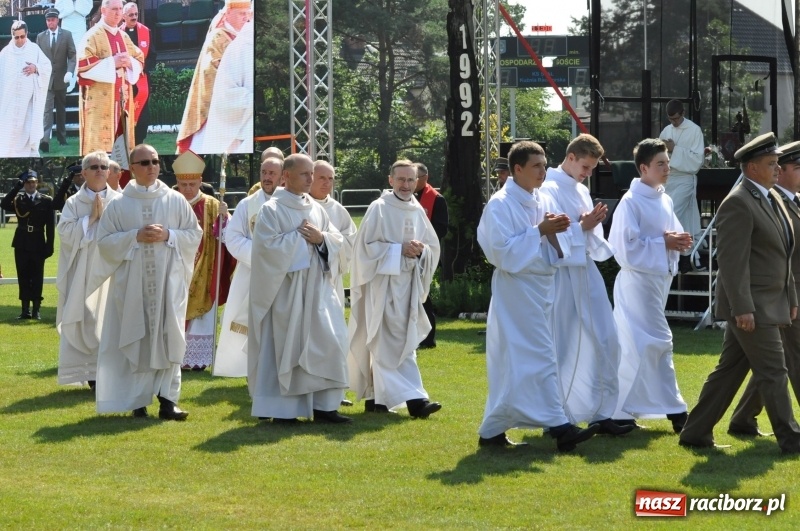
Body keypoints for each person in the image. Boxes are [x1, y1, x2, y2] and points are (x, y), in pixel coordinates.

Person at [679, 132, 800, 454]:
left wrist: (791, 299)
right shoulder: (739, 202)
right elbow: (732, 264)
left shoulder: (771, 198)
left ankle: (695, 432)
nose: (778, 169)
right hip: (751, 305)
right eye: (771, 164)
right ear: (751, 168)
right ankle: (791, 437)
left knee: (728, 372)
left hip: (771, 301)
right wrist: (742, 308)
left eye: (778, 164)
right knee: (774, 370)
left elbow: (784, 256)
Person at [476, 140, 599, 449]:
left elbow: (558, 241)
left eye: (545, 165)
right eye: (536, 166)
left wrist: (564, 230)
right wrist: (540, 231)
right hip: (516, 290)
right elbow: (500, 253)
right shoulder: (500, 204)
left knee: (519, 362)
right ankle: (560, 428)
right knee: (541, 357)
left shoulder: (541, 198)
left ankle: (492, 431)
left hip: (542, 288)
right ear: (516, 169)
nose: (544, 172)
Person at [87, 143, 202, 419]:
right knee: (136, 338)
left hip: (167, 283)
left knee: (167, 336)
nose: (152, 167)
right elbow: (103, 243)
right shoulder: (119, 205)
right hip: (133, 286)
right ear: (133, 168)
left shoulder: (174, 200)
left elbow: (193, 235)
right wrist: (134, 236)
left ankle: (168, 400)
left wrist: (169, 236)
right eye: (145, 163)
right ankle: (137, 401)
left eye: (155, 161)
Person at [248, 153, 351, 423]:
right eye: (305, 174)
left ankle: (325, 406)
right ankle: (284, 411)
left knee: (330, 341)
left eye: (312, 174)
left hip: (317, 289)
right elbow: (266, 251)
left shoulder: (316, 209)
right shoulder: (271, 209)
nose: (311, 179)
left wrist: (321, 239)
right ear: (287, 177)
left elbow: (335, 239)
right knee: (288, 349)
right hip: (286, 292)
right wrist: (300, 238)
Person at [540, 133, 631, 436]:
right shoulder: (548, 188)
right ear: (571, 158)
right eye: (586, 167)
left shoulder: (579, 190)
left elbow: (587, 235)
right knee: (563, 345)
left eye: (591, 169)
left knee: (606, 339)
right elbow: (550, 236)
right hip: (563, 275)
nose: (588, 174)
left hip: (585, 271)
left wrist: (589, 227)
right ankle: (557, 418)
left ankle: (601, 411)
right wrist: (583, 227)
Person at [347, 159, 443, 418]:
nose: (406, 185)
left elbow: (432, 247)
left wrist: (421, 252)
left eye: (411, 180)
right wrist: (398, 249)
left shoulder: (417, 210)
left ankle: (377, 399)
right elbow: (364, 249)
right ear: (391, 181)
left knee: (403, 341)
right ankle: (416, 401)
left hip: (409, 287)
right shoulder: (378, 208)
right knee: (387, 342)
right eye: (401, 179)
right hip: (383, 286)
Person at [609, 139, 690, 432]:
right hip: (638, 283)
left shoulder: (664, 199)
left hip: (658, 281)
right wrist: (664, 242)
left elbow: (673, 233)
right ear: (644, 168)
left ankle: (619, 411)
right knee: (659, 341)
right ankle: (678, 412)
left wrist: (679, 242)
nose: (667, 168)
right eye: (660, 163)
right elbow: (624, 249)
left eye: (667, 162)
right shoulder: (629, 203)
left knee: (635, 346)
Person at [727, 140, 800, 437]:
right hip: (775, 295)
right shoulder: (766, 201)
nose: (779, 169)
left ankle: (743, 419)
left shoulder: (787, 201)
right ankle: (786, 432)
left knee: (771, 362)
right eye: (797, 167)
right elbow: (740, 259)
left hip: (783, 295)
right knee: (783, 361)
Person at [214, 156, 282, 378]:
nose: (266, 177)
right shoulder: (247, 204)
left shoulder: (291, 202)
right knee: (248, 322)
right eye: (264, 172)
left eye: (272, 173)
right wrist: (261, 258)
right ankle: (248, 369)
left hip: (283, 275)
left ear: (283, 175)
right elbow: (232, 238)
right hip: (250, 273)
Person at [56, 151, 120, 388]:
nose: (100, 171)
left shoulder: (119, 200)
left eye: (104, 166)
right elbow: (64, 234)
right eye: (94, 167)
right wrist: (90, 219)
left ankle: (110, 370)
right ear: (83, 173)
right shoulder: (74, 203)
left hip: (111, 269)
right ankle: (90, 373)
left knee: (110, 317)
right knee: (86, 317)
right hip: (82, 269)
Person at [174, 150, 236, 371]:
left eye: (192, 184)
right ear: (177, 182)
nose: (188, 189)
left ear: (200, 181)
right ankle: (175, 357)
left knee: (201, 316)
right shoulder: (170, 202)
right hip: (176, 268)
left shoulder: (211, 204)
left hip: (205, 268)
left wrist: (223, 219)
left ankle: (198, 360)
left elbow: (227, 238)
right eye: (183, 184)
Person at [176, 0, 252, 153]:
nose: (245, 18)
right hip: (217, 106)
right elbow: (209, 70)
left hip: (237, 104)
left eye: (247, 14)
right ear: (228, 13)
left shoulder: (244, 38)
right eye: (241, 14)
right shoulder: (218, 37)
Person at [77, 0, 143, 154]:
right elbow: (82, 67)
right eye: (114, 9)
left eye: (120, 9)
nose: (118, 12)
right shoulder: (92, 36)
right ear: (103, 10)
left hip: (123, 101)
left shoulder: (123, 36)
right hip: (101, 102)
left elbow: (139, 58)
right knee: (101, 157)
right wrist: (112, 62)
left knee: (123, 153)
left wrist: (130, 62)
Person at [1, 170, 55, 320]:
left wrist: (49, 245)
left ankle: (36, 309)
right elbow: (4, 204)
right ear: (24, 184)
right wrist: (16, 188)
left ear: (37, 183)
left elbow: (50, 226)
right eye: (28, 182)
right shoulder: (19, 199)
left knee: (37, 276)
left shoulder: (45, 200)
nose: (31, 185)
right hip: (22, 242)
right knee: (23, 275)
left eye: (33, 182)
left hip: (38, 242)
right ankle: (25, 310)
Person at [659, 100, 705, 259]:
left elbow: (697, 161)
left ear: (683, 113)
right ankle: (688, 255)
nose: (674, 122)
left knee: (672, 214)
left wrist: (675, 150)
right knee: (683, 218)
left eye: (677, 119)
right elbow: (659, 156)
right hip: (669, 180)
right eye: (671, 119)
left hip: (685, 179)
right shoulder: (666, 130)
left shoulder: (694, 130)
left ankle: (674, 252)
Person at [199, 18, 253, 154]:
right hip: (237, 128)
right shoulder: (239, 46)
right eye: (241, 14)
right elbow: (225, 95)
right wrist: (252, 101)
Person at [0, 21, 53, 157]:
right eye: (16, 37)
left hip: (28, 101)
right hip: (9, 101)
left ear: (27, 34)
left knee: (27, 128)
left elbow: (47, 67)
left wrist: (36, 68)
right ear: (12, 36)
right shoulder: (5, 53)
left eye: (22, 37)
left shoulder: (34, 49)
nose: (20, 40)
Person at [310, 160, 356, 305]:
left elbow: (352, 242)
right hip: (304, 276)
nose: (327, 183)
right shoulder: (299, 205)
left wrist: (324, 240)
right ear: (310, 178)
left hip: (331, 276)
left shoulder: (338, 210)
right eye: (322, 178)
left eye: (330, 178)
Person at [413, 162, 448, 349]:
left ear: (425, 178)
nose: (410, 181)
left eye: (414, 177)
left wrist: (423, 244)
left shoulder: (436, 199)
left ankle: (428, 338)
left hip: (425, 254)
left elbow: (441, 227)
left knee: (424, 295)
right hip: (404, 253)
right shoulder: (404, 196)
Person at [36, 9, 76, 152]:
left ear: (57, 20)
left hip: (61, 78)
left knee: (61, 110)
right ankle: (45, 140)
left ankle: (62, 138)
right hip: (46, 80)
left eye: (52, 20)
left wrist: (70, 72)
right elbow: (37, 58)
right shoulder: (41, 37)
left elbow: (72, 55)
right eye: (48, 20)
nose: (50, 22)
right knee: (47, 111)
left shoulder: (66, 35)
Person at [121, 1, 153, 144]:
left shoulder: (146, 32)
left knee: (142, 113)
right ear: (124, 16)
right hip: (124, 80)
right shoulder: (118, 34)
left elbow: (153, 55)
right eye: (131, 15)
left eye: (136, 14)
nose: (134, 17)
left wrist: (142, 68)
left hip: (142, 79)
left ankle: (139, 139)